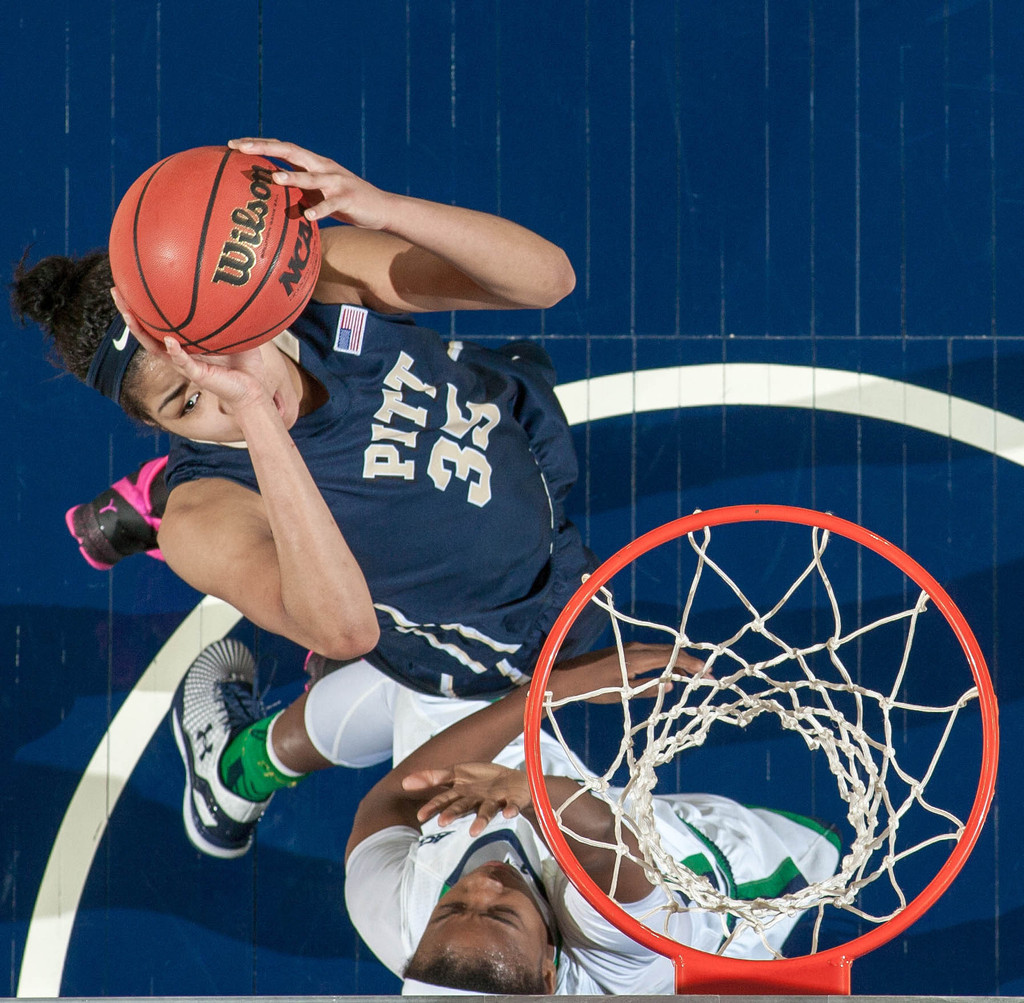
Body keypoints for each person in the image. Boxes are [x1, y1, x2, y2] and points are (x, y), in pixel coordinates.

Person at [10, 137, 607, 858]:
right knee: (435, 733)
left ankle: (150, 501)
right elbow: (346, 633)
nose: (227, 391)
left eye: (222, 349)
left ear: (246, 306)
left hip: (521, 456)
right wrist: (258, 413)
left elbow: (549, 280)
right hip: (474, 636)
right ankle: (240, 764)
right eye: (189, 398)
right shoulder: (206, 522)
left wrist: (386, 209)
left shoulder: (318, 287)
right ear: (153, 424)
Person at [339, 635, 842, 995]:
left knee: (427, 668)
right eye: (501, 914)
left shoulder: (396, 918)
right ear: (548, 973)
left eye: (452, 908)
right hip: (698, 885)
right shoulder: (612, 958)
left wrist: (542, 691)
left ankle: (263, 760)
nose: (482, 888)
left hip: (530, 811)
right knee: (817, 848)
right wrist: (552, 702)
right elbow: (610, 837)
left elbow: (387, 802)